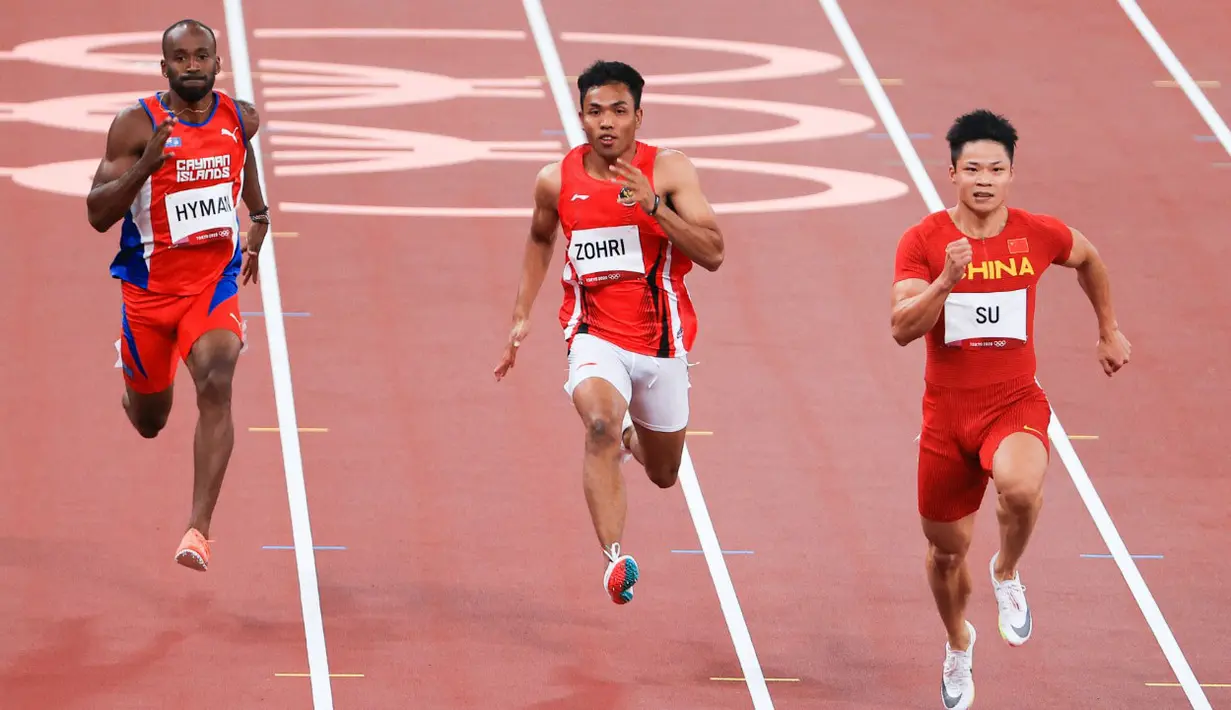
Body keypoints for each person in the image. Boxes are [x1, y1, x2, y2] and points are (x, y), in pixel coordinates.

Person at [890, 109, 1131, 708]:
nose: (985, 179)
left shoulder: (1037, 233)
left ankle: (1006, 572)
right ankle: (957, 641)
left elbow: (1090, 258)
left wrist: (1109, 330)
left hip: (1013, 402)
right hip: (946, 418)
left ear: (1011, 175)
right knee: (946, 555)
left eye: (997, 169)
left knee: (1021, 488)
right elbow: (900, 328)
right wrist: (944, 281)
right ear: (951, 172)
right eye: (973, 168)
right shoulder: (922, 241)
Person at [493, 60, 725, 605]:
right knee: (597, 421)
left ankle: (629, 440)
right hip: (594, 335)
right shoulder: (556, 180)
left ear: (638, 117)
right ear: (580, 117)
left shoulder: (669, 172)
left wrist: (653, 208)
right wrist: (522, 314)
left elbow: (714, 252)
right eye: (595, 111)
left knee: (665, 473)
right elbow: (539, 237)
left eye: (619, 111)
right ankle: (614, 559)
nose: (607, 123)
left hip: (663, 344)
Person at [86, 19, 269, 572]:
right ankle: (134, 375)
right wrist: (145, 167)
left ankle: (198, 530)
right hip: (148, 293)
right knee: (149, 420)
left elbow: (243, 156)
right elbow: (97, 214)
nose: (193, 66)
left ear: (217, 63)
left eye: (202, 56)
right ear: (164, 68)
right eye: (181, 58)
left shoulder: (240, 116)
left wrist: (258, 215)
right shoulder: (134, 125)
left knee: (217, 380)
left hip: (212, 284)